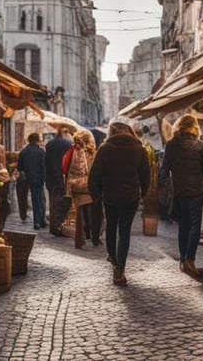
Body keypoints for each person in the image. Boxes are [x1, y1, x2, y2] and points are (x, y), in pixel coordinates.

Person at [88, 120, 150, 286]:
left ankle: (113, 258)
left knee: (111, 226)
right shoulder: (139, 148)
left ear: (111, 133)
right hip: (131, 196)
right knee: (124, 231)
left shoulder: (105, 148)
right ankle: (120, 268)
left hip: (110, 195)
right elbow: (145, 174)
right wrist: (144, 193)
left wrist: (96, 196)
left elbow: (94, 175)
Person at [161, 114, 203, 277]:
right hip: (196, 192)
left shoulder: (171, 145)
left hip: (179, 191)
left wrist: (163, 187)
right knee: (195, 225)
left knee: (183, 224)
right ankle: (190, 259)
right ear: (194, 128)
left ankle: (183, 258)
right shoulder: (200, 146)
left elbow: (164, 169)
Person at [63, 129, 99, 246]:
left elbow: (64, 167)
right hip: (91, 185)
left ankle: (79, 240)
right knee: (94, 212)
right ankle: (94, 237)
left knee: (79, 214)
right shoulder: (92, 151)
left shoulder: (72, 150)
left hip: (75, 186)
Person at [45, 126, 74, 236]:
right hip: (63, 176)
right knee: (62, 202)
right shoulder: (68, 144)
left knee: (53, 201)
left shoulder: (49, 144)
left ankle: (53, 225)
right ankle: (59, 224)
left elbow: (46, 161)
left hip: (51, 176)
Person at [18, 133, 47, 230]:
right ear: (37, 140)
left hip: (28, 178)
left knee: (36, 199)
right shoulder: (41, 151)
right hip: (39, 178)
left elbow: (19, 167)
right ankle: (38, 221)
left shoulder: (24, 152)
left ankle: (40, 220)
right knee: (39, 199)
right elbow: (44, 166)